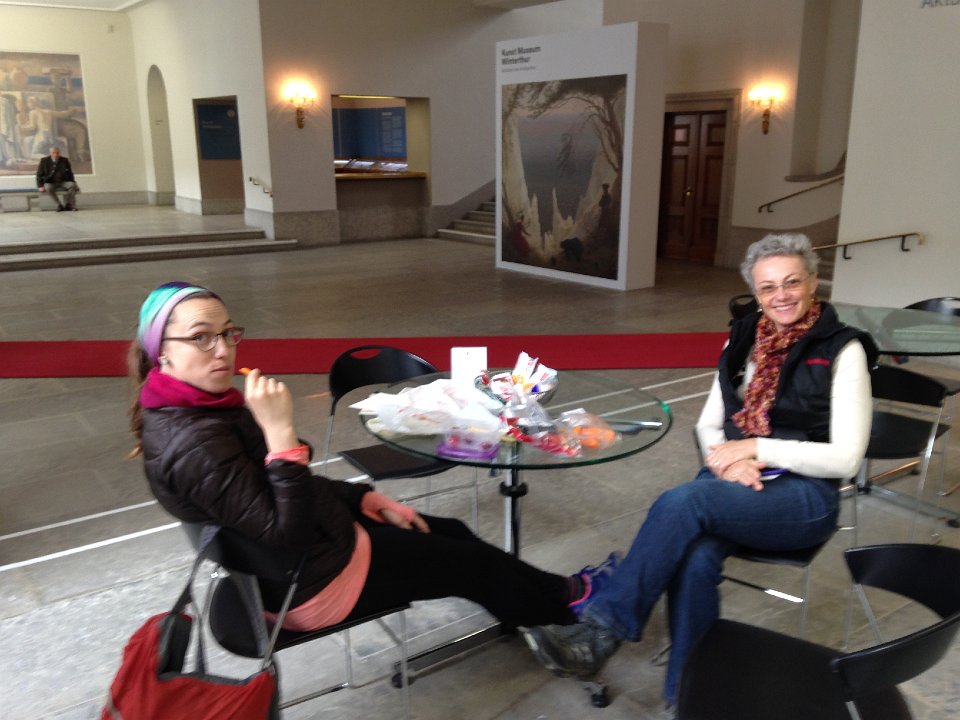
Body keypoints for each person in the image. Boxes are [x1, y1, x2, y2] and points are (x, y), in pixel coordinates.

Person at [129, 281, 618, 635]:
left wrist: (360, 499)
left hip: (315, 550)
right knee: (473, 564)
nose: (222, 350)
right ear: (161, 351)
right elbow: (286, 531)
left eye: (227, 333)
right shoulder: (193, 444)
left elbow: (276, 496)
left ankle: (552, 596)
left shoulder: (201, 408)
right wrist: (280, 437)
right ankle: (574, 612)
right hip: (308, 583)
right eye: (201, 337)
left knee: (451, 532)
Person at [521, 233, 877, 713]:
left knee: (683, 501)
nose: (781, 296)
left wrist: (755, 446)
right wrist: (729, 460)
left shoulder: (843, 350)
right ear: (755, 292)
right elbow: (710, 425)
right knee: (694, 557)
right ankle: (689, 697)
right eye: (768, 287)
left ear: (813, 283)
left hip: (805, 496)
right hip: (734, 479)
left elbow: (847, 458)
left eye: (792, 282)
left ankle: (603, 632)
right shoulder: (742, 337)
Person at [36, 146, 78, 211]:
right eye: (53, 153)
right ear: (50, 153)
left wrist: (74, 182)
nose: (55, 154)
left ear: (59, 153)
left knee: (72, 185)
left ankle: (69, 204)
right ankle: (58, 205)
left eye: (57, 153)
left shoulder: (64, 160)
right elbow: (39, 174)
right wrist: (40, 186)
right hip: (50, 182)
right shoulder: (44, 161)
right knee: (48, 187)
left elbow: (70, 173)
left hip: (63, 181)